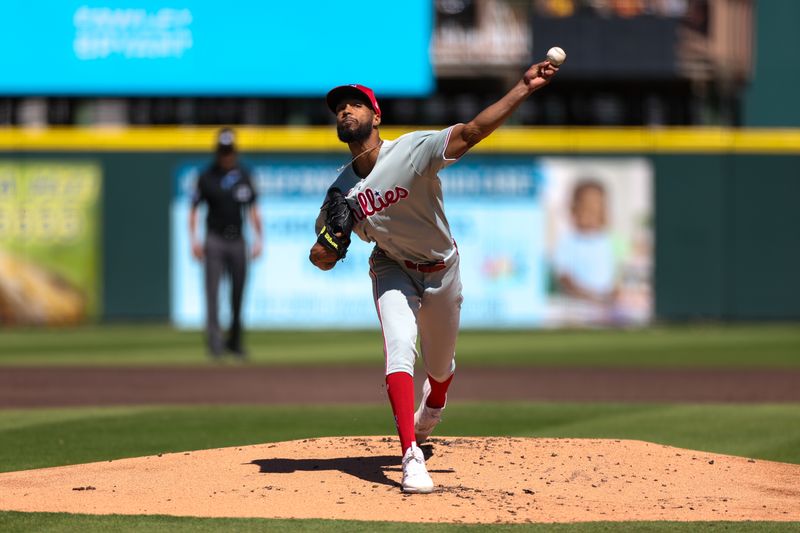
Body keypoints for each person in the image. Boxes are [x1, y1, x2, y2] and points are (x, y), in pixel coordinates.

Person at [309, 59, 560, 493]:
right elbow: (321, 257)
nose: (346, 112)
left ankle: (434, 405)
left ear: (376, 116)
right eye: (339, 108)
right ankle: (410, 456)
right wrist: (329, 243)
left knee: (440, 367)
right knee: (401, 348)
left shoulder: (410, 150)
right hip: (392, 268)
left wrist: (523, 87)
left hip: (443, 269)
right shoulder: (341, 191)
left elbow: (472, 131)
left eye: (355, 104)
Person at [189, 128, 263, 359]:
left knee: (238, 293)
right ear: (217, 152)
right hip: (214, 239)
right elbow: (193, 209)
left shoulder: (244, 175)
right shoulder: (205, 176)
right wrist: (194, 240)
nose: (226, 156)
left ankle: (235, 341)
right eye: (222, 151)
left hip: (238, 239)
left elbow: (253, 209)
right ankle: (215, 345)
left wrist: (259, 238)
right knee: (212, 293)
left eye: (229, 151)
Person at [552, 179, 618, 308]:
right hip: (576, 303)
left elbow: (614, 274)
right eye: (587, 210)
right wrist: (585, 295)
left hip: (605, 303)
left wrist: (612, 293)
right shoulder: (568, 241)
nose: (593, 216)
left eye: (598, 210)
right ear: (573, 211)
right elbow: (563, 277)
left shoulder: (607, 240)